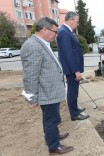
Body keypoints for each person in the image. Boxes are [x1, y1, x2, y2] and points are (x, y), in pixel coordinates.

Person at [20, 17, 74, 154]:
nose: (56, 35)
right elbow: (30, 74)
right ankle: (54, 146)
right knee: (52, 119)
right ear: (44, 29)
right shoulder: (33, 46)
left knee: (49, 118)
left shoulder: (42, 43)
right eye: (54, 32)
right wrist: (31, 97)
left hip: (49, 90)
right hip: (46, 92)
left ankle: (51, 137)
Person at [57, 11, 89, 121]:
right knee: (72, 91)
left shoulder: (66, 31)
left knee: (74, 90)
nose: (78, 24)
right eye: (77, 21)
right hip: (71, 69)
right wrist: (76, 71)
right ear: (70, 20)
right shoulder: (64, 32)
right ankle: (74, 114)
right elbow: (68, 54)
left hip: (72, 68)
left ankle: (75, 109)